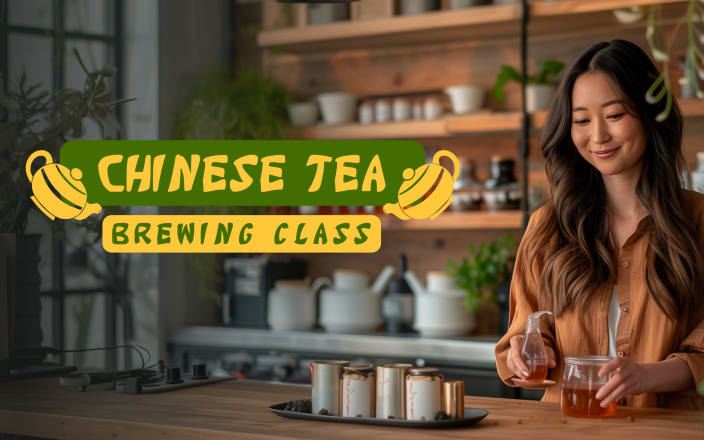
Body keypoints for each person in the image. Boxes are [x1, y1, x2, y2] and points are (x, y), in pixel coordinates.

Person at [494, 39, 704, 409]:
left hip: (662, 431)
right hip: (564, 429)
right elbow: (525, 331)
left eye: (614, 115)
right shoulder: (547, 227)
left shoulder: (697, 220)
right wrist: (526, 354)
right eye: (582, 120)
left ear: (650, 112)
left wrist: (646, 375)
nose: (598, 136)